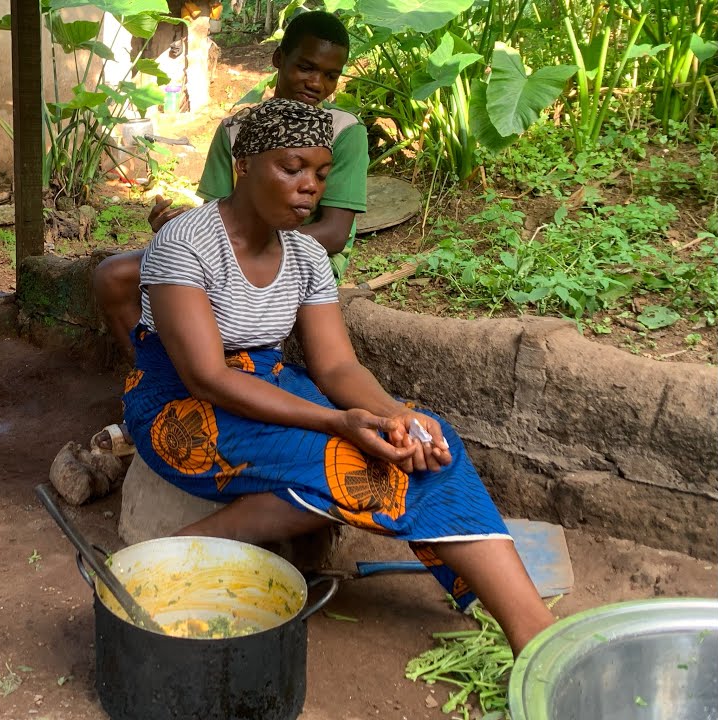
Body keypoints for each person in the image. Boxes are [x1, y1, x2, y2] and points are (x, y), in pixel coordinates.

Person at [122, 98, 554, 654]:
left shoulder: (305, 255)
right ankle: (201, 544)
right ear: (244, 166)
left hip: (268, 384)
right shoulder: (182, 245)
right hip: (179, 407)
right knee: (350, 458)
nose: (310, 187)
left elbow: (336, 366)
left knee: (426, 442)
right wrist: (339, 422)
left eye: (321, 174)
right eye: (292, 167)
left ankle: (535, 634)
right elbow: (206, 376)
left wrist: (396, 416)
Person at [95, 10, 367, 360]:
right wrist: (178, 225)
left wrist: (235, 249)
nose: (316, 83)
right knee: (114, 275)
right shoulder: (236, 128)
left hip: (302, 257)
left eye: (330, 75)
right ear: (278, 59)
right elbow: (220, 212)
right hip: (232, 249)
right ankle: (155, 381)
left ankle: (214, 379)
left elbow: (334, 233)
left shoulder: (343, 131)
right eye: (306, 67)